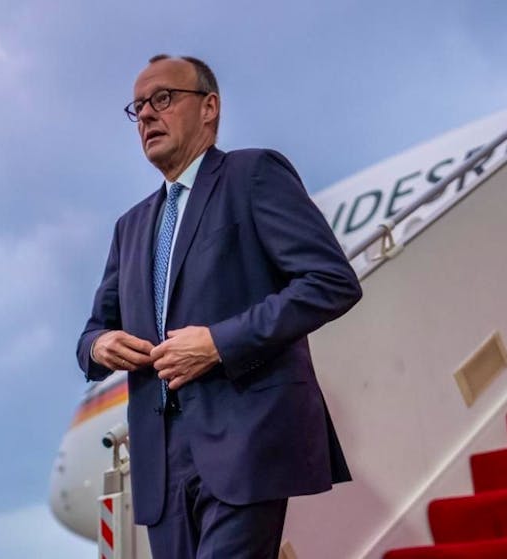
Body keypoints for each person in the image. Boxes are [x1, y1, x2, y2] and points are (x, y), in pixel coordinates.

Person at [77, 55, 363, 558]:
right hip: (159, 462)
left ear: (209, 108)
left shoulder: (252, 174)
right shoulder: (130, 226)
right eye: (138, 106)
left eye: (163, 98)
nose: (146, 115)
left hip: (244, 439)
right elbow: (93, 331)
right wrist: (101, 345)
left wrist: (218, 343)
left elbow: (330, 281)